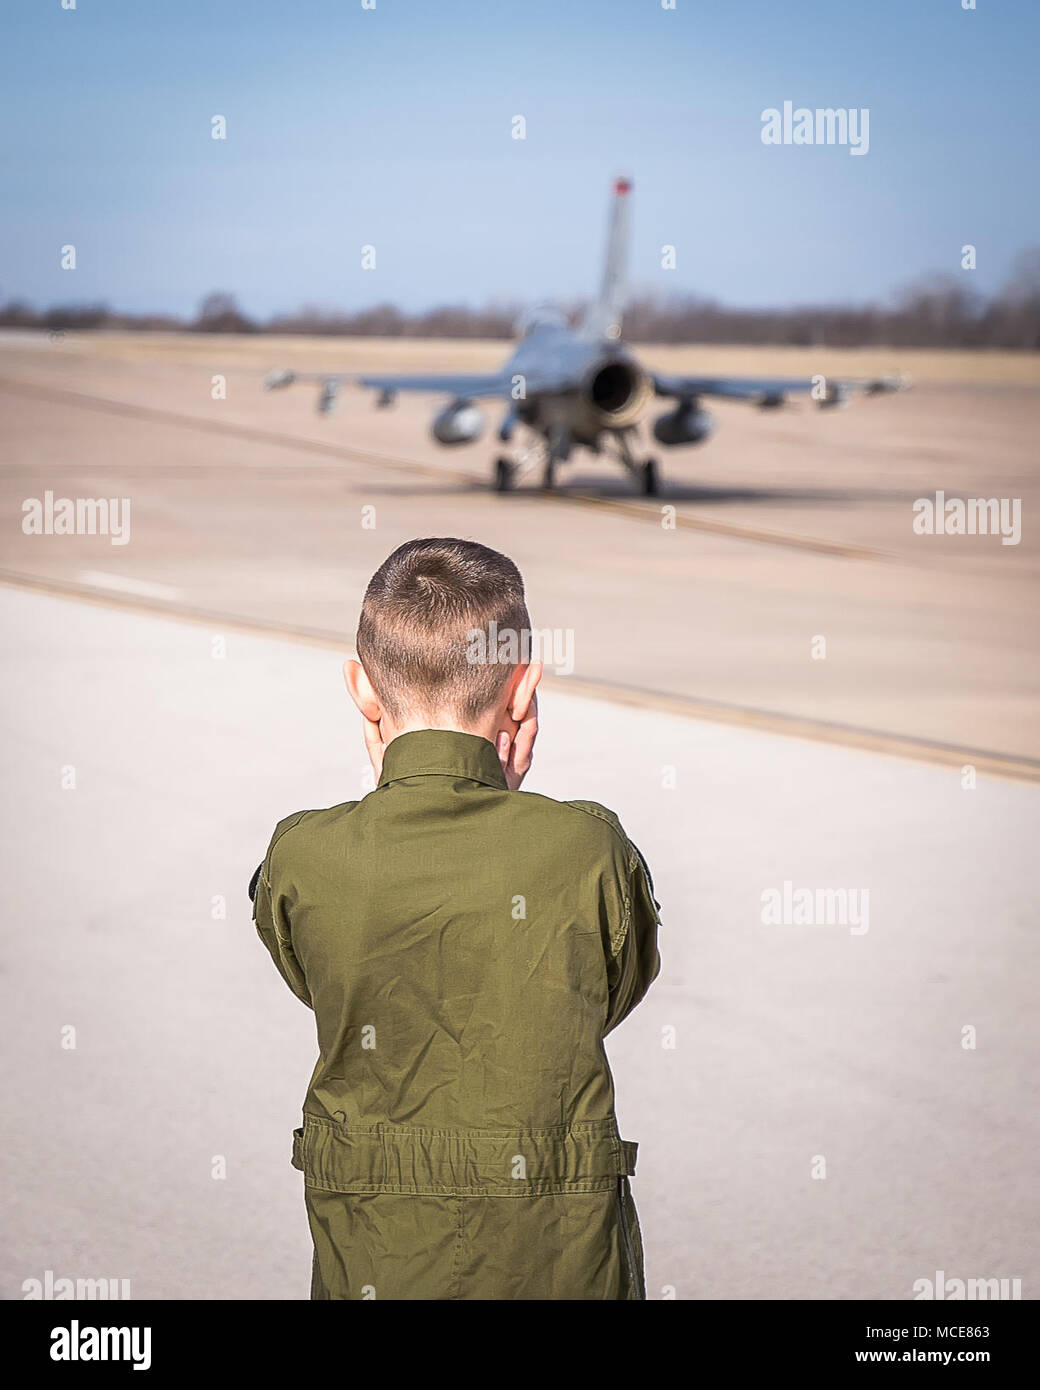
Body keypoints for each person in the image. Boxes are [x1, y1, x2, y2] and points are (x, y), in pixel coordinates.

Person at [250, 537, 661, 1299]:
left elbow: (325, 983)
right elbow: (609, 992)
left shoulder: (305, 857)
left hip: (374, 1254)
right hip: (559, 1261)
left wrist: (396, 798)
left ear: (362, 691)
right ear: (524, 690)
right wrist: (495, 802)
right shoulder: (588, 848)